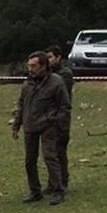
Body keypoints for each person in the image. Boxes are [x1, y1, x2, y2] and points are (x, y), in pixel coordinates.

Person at [11, 51, 71, 206]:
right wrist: (16, 125)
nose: (31, 69)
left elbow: (65, 106)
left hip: (48, 126)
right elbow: (21, 105)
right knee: (29, 161)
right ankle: (35, 191)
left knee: (50, 156)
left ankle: (58, 190)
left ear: (43, 66)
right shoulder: (27, 84)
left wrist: (55, 121)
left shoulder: (56, 82)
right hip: (30, 126)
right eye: (29, 66)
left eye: (34, 66)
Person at [46, 45, 75, 193]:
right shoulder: (47, 74)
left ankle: (63, 181)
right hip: (48, 118)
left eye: (50, 57)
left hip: (61, 118)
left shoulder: (65, 74)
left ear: (58, 58)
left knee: (60, 150)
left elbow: (59, 95)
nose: (48, 60)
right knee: (50, 152)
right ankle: (53, 182)